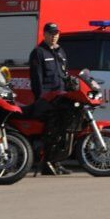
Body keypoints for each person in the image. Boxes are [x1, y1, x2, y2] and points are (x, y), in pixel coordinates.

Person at [29, 22, 70, 174]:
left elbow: (65, 76)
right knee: (48, 133)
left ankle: (56, 162)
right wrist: (41, 100)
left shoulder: (61, 52)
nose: (54, 36)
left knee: (61, 133)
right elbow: (36, 80)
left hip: (62, 99)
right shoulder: (38, 53)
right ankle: (46, 164)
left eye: (56, 33)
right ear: (44, 34)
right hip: (47, 101)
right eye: (51, 33)